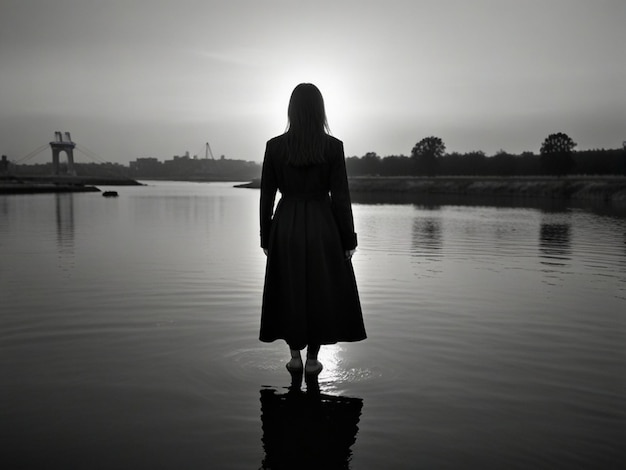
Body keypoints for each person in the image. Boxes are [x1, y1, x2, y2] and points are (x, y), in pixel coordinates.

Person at [259, 83, 366, 375]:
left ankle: (294, 357)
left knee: (289, 288)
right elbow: (342, 197)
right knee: (319, 289)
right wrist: (349, 239)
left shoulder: (275, 146)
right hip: (323, 226)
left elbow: (266, 196)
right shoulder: (333, 147)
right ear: (320, 110)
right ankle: (313, 360)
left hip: (286, 225)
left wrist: (265, 236)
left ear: (291, 109)